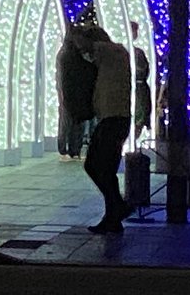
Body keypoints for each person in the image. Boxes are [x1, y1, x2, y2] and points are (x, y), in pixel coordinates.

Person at [76, 25, 133, 234]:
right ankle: (114, 216)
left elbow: (86, 45)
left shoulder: (112, 51)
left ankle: (118, 208)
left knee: (95, 165)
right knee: (105, 169)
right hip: (111, 118)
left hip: (114, 119)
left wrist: (74, 32)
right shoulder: (112, 57)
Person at [57, 28, 95, 159]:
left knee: (69, 121)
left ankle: (68, 148)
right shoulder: (73, 55)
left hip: (71, 91)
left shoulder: (65, 54)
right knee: (73, 121)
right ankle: (72, 149)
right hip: (74, 91)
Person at [130, 22, 152, 143]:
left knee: (141, 117)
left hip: (140, 88)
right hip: (136, 89)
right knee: (139, 116)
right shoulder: (133, 52)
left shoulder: (138, 52)